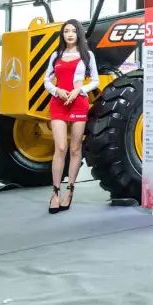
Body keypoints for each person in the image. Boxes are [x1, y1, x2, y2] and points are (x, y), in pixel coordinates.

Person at [42, 19, 99, 214]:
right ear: (62, 34)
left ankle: (70, 190)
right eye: (66, 31)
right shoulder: (56, 55)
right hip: (58, 103)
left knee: (75, 149)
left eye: (73, 31)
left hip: (78, 102)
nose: (70, 34)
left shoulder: (87, 55)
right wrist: (56, 90)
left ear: (78, 34)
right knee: (60, 147)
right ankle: (55, 193)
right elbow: (46, 81)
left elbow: (95, 80)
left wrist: (79, 91)